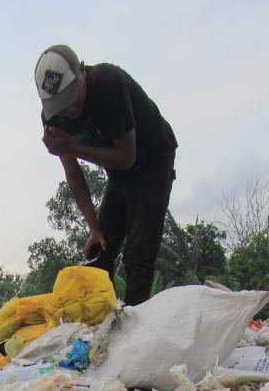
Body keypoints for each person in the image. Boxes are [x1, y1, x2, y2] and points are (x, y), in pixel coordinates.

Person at [34, 44, 177, 306]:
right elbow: (74, 174)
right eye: (60, 105)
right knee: (100, 253)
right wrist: (93, 227)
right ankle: (101, 324)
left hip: (152, 160)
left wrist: (71, 147)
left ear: (82, 71)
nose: (69, 109)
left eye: (71, 96)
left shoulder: (109, 83)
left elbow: (127, 157)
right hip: (117, 170)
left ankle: (136, 328)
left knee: (138, 255)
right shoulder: (53, 117)